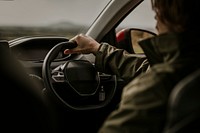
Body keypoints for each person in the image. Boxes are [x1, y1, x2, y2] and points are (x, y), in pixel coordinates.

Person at [64, 0, 200, 132]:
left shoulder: (155, 87)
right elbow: (145, 67)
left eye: (158, 12)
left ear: (172, 19)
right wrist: (98, 49)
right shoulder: (187, 68)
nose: (155, 20)